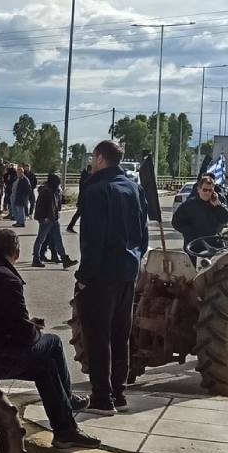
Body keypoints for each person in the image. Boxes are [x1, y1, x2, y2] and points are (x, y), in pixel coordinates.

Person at [0, 229, 100, 449]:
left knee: (45, 366)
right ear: (16, 254)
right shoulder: (8, 279)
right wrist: (34, 329)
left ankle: (66, 420)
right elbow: (24, 335)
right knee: (53, 343)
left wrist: (28, 326)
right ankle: (67, 415)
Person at [74, 140, 149, 415]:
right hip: (128, 272)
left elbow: (93, 240)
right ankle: (118, 393)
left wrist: (84, 276)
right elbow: (143, 234)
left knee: (97, 337)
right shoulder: (134, 189)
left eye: (93, 158)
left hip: (101, 274)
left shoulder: (97, 190)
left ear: (100, 158)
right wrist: (135, 262)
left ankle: (101, 398)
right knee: (121, 335)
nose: (91, 162)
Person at [171, 175, 228, 249]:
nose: (207, 193)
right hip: (193, 244)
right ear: (199, 189)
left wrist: (218, 206)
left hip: (213, 244)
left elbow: (226, 218)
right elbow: (176, 222)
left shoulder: (216, 203)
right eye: (205, 190)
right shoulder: (189, 204)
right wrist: (191, 232)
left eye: (210, 190)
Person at [31, 173, 76, 268]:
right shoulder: (46, 191)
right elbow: (41, 206)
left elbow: (57, 206)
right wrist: (45, 217)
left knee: (57, 239)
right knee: (41, 239)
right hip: (47, 219)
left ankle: (64, 258)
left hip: (53, 218)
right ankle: (36, 258)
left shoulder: (53, 190)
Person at [65, 164, 91, 233]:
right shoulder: (86, 177)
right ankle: (71, 226)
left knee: (79, 213)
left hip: (83, 198)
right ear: (90, 170)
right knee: (80, 213)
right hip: (84, 198)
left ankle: (70, 226)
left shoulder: (85, 176)